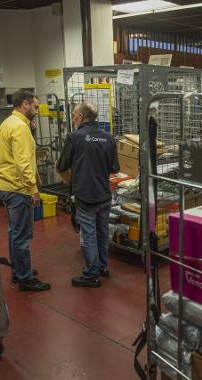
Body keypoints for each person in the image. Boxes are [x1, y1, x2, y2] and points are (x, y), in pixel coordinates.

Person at [0, 90, 51, 292]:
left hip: (3, 185)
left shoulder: (9, 123)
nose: (37, 109)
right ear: (25, 104)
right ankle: (25, 278)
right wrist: (33, 189)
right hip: (17, 188)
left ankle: (18, 270)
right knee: (22, 235)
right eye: (35, 105)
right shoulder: (20, 128)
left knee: (14, 231)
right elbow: (22, 163)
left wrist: (35, 175)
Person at [57, 102, 119, 288]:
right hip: (104, 194)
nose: (73, 118)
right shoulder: (109, 138)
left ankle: (91, 274)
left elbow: (61, 166)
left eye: (75, 115)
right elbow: (115, 168)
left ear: (81, 117)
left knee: (88, 235)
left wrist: (74, 181)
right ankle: (102, 267)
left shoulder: (74, 137)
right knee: (102, 233)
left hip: (85, 196)